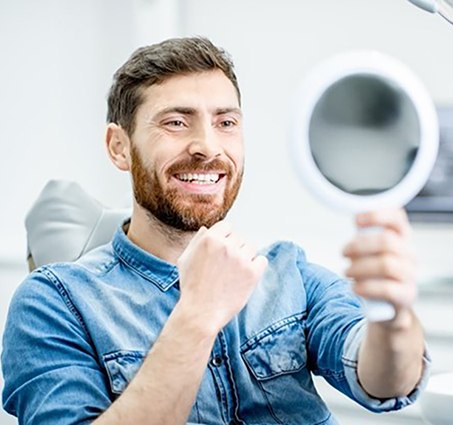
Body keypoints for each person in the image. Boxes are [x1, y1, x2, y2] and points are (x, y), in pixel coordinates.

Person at [2, 37, 430, 425]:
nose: (208, 146)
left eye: (226, 123)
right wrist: (197, 316)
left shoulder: (289, 273)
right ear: (119, 147)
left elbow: (386, 382)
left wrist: (391, 315)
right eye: (176, 122)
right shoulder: (53, 303)